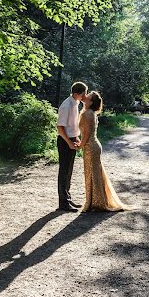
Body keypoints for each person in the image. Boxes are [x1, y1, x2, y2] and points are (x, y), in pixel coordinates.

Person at [78, 91, 125, 212]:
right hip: (93, 146)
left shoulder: (87, 113)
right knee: (94, 174)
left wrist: (80, 145)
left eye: (88, 96)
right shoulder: (89, 112)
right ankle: (96, 201)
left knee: (92, 175)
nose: (85, 96)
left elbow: (87, 133)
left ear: (91, 101)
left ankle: (97, 202)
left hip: (91, 147)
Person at [56, 82, 88, 212]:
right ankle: (63, 203)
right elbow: (60, 127)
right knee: (64, 171)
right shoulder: (66, 105)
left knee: (69, 171)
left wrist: (76, 137)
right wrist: (69, 142)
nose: (85, 96)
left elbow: (73, 125)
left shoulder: (76, 103)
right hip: (65, 141)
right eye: (83, 93)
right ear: (76, 94)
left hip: (72, 139)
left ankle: (67, 199)